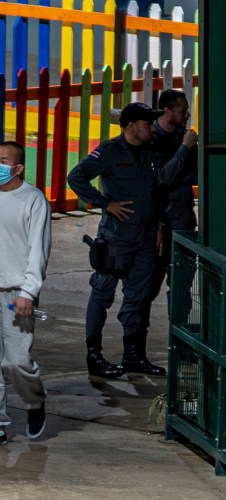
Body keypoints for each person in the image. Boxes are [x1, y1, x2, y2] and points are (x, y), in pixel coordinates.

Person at [67, 102, 167, 379]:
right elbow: (76, 177)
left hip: (146, 238)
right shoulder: (109, 151)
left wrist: (159, 225)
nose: (152, 127)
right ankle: (94, 356)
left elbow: (158, 191)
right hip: (116, 238)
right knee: (102, 293)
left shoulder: (151, 150)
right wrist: (104, 202)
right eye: (148, 123)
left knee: (139, 298)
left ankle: (133, 356)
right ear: (132, 126)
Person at [0, 141, 51, 448]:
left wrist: (29, 291)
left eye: (4, 161)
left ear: (18, 168)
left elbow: (37, 252)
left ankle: (35, 398)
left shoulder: (34, 201)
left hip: (17, 293)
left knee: (16, 361)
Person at [144, 90, 198, 326]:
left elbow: (196, 173)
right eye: (182, 110)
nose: (187, 115)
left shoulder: (182, 137)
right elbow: (163, 177)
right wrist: (185, 149)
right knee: (147, 285)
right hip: (158, 223)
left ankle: (179, 335)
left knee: (182, 282)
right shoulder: (152, 137)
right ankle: (136, 347)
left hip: (182, 219)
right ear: (167, 111)